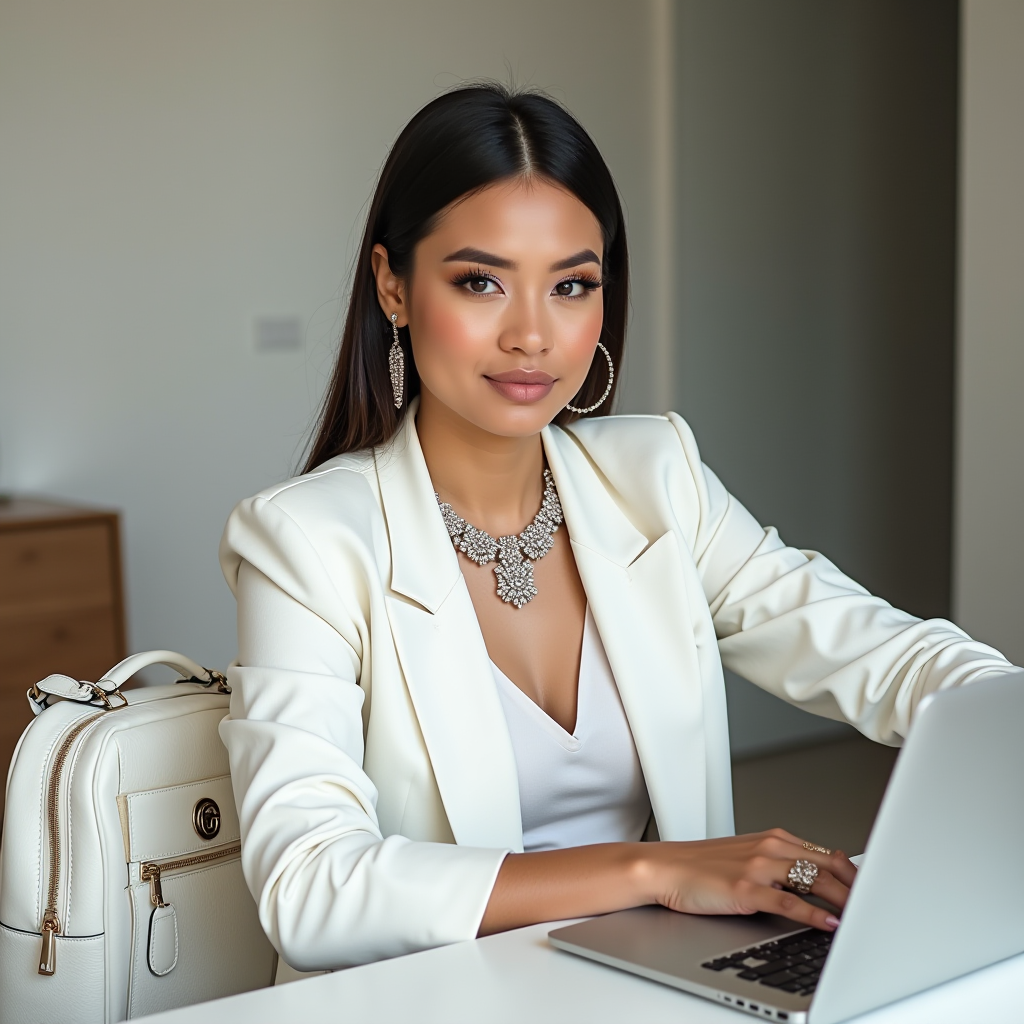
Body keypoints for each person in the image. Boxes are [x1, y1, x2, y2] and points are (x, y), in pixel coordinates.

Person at [219, 84, 1014, 972]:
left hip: (659, 984)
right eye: (480, 281)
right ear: (392, 286)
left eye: (571, 285)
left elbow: (879, 652)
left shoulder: (656, 477)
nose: (532, 335)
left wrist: (1003, 712)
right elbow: (311, 888)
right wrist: (655, 870)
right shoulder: (304, 543)